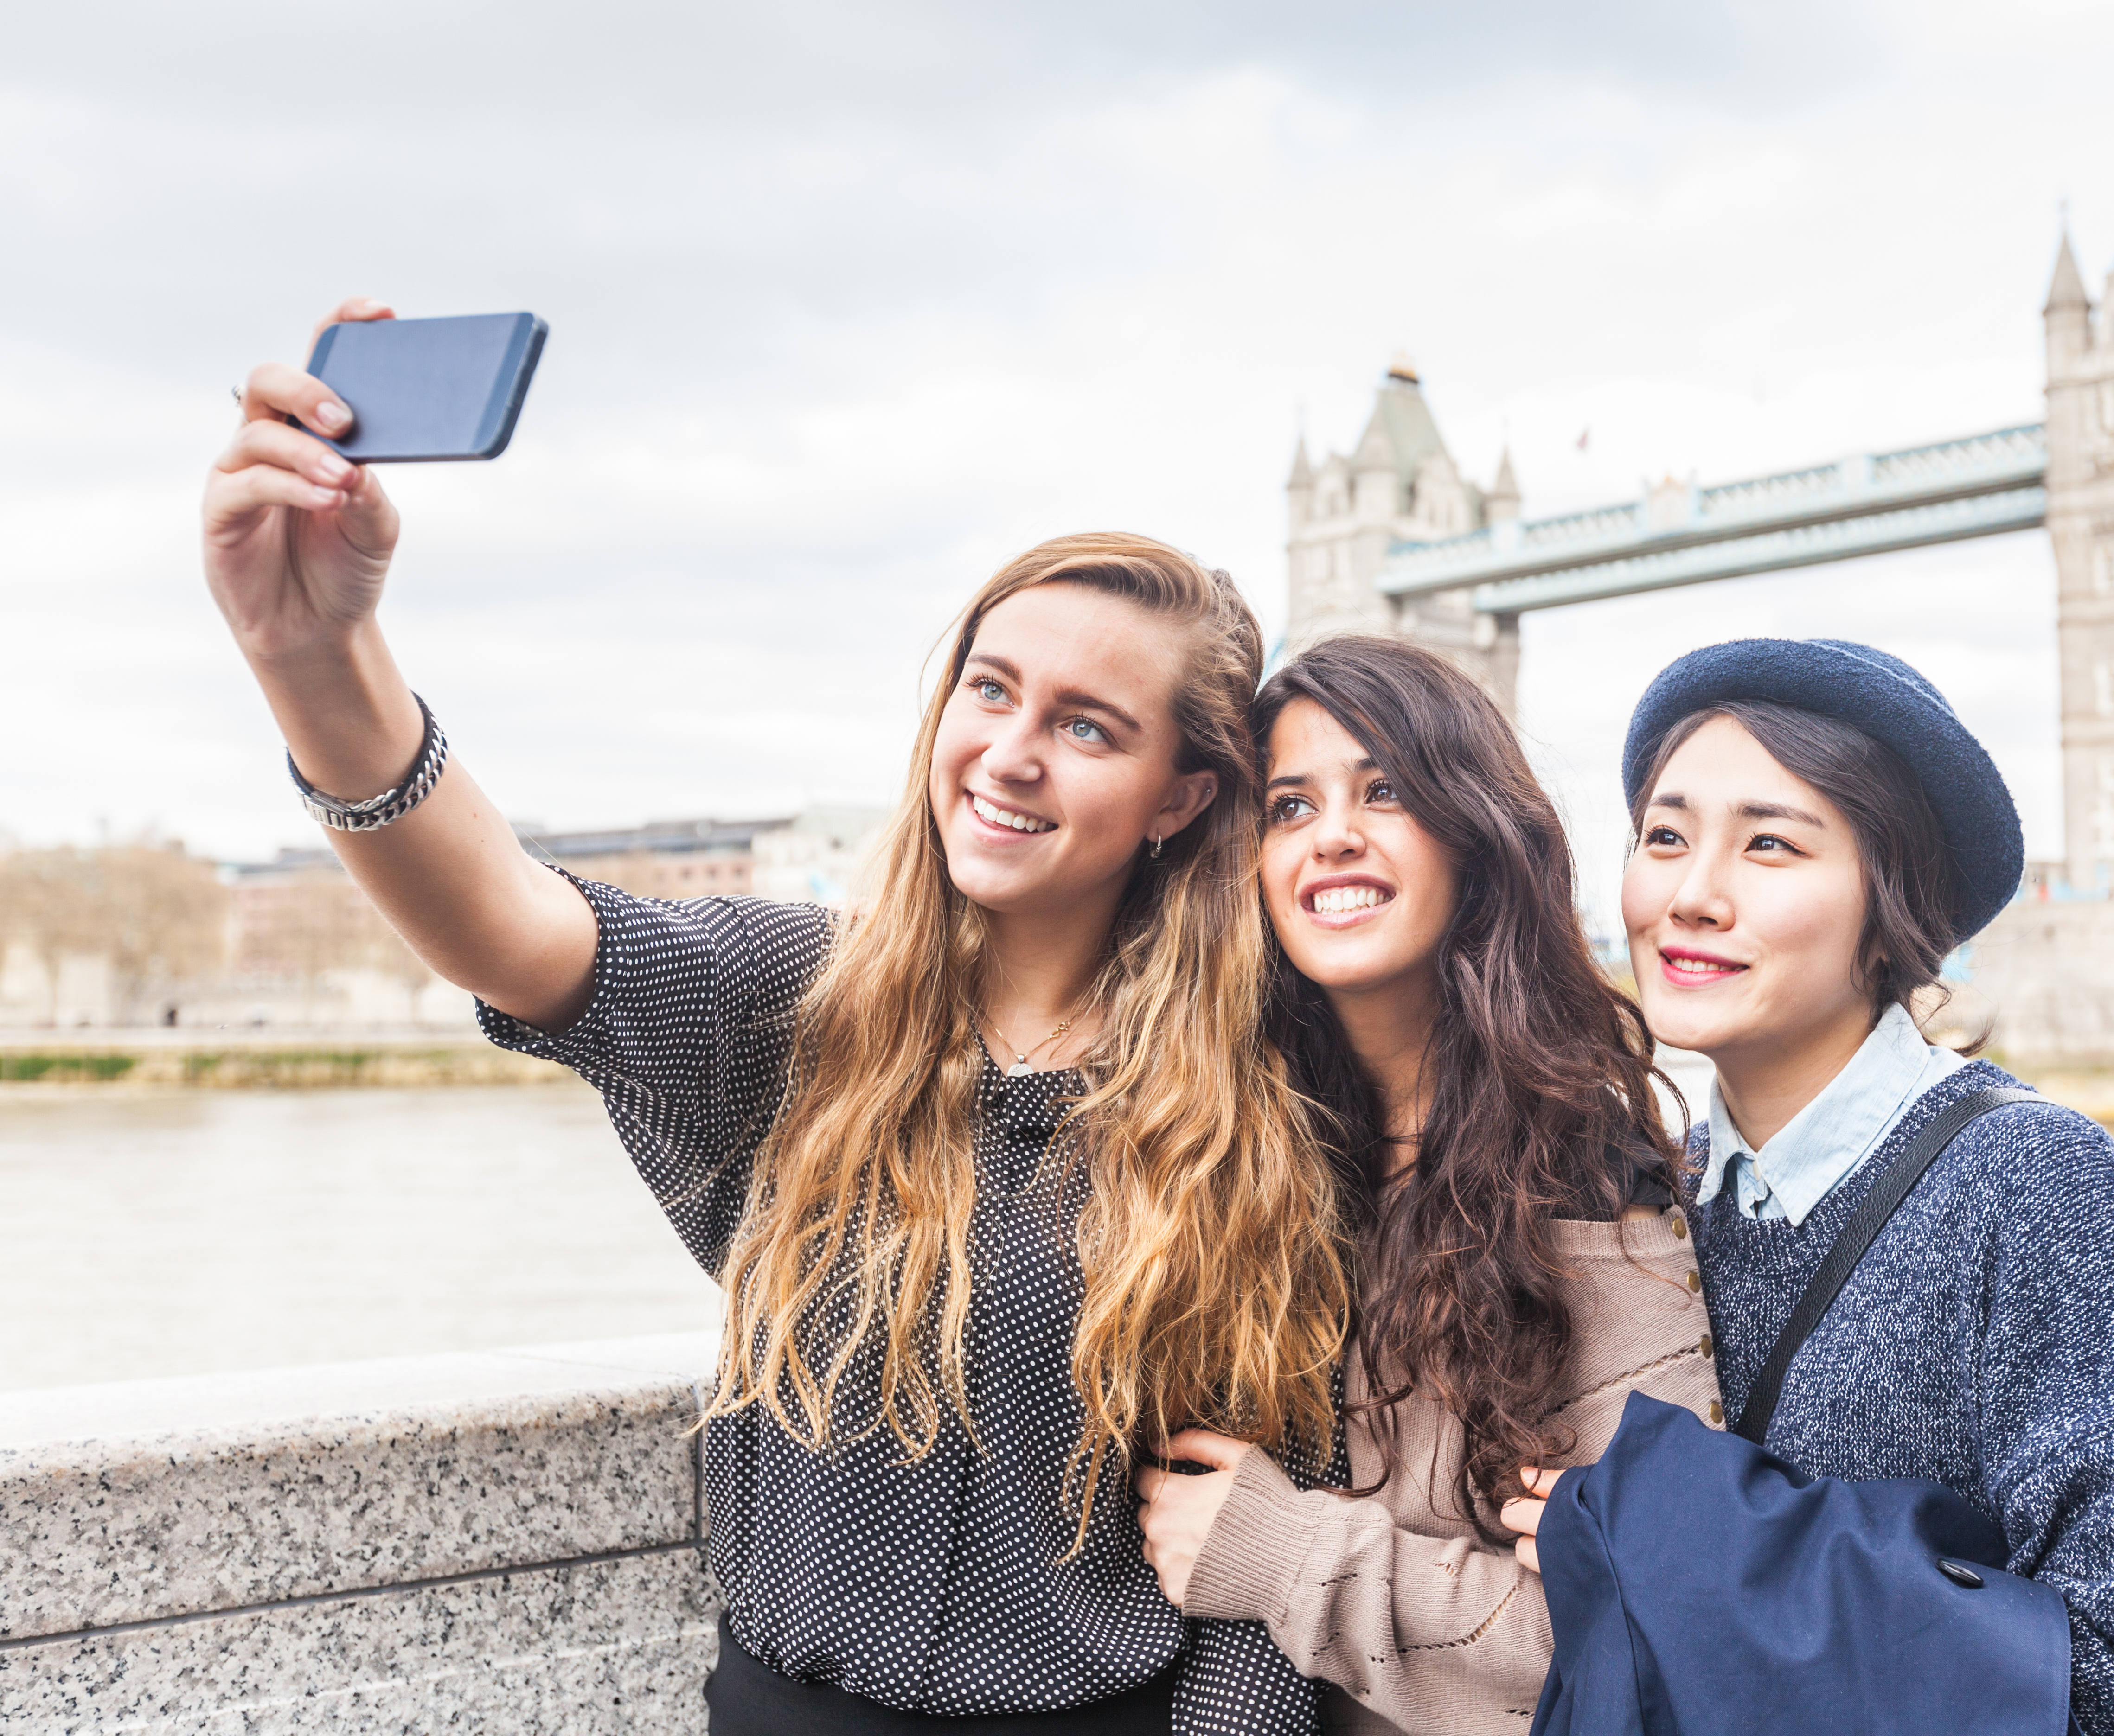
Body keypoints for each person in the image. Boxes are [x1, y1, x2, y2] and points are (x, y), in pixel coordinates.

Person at [201, 298, 1354, 1735]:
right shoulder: (790, 1004)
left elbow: (1270, 1500)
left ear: (1182, 797)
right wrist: (314, 654)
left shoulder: (1256, 1107)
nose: (1008, 753)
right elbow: (505, 924)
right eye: (988, 691)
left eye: (1086, 725)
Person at [1504, 638, 2114, 1735]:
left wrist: (1680, 1540)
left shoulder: (2036, 1190)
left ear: (1892, 905)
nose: (1692, 895)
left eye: (1771, 846)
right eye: (1665, 836)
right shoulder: (1658, 1203)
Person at [1132, 637, 1718, 1734]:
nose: (1334, 835)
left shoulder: (1592, 1179)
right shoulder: (1240, 1155)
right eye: (1291, 807)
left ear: (1476, 833)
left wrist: (1282, 1553)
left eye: (1386, 791)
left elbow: (1635, 1635)